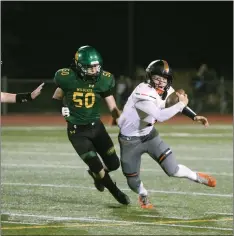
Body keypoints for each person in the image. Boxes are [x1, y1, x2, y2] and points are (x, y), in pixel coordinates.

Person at [117, 60, 216, 209]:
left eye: (164, 79)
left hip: (149, 135)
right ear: (149, 77)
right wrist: (181, 104)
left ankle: (197, 177)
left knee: (172, 169)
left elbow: (175, 102)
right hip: (129, 141)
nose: (160, 82)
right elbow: (160, 115)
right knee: (132, 181)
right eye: (157, 78)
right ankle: (143, 194)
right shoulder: (142, 92)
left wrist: (193, 116)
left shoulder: (166, 90)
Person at [53, 45, 130, 205]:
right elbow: (57, 96)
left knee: (114, 164)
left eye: (97, 66)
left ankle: (96, 174)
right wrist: (63, 107)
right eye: (91, 67)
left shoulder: (104, 80)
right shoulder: (67, 77)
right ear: (79, 66)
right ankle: (115, 191)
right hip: (77, 132)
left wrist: (122, 120)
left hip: (97, 128)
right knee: (96, 165)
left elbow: (113, 107)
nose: (95, 70)